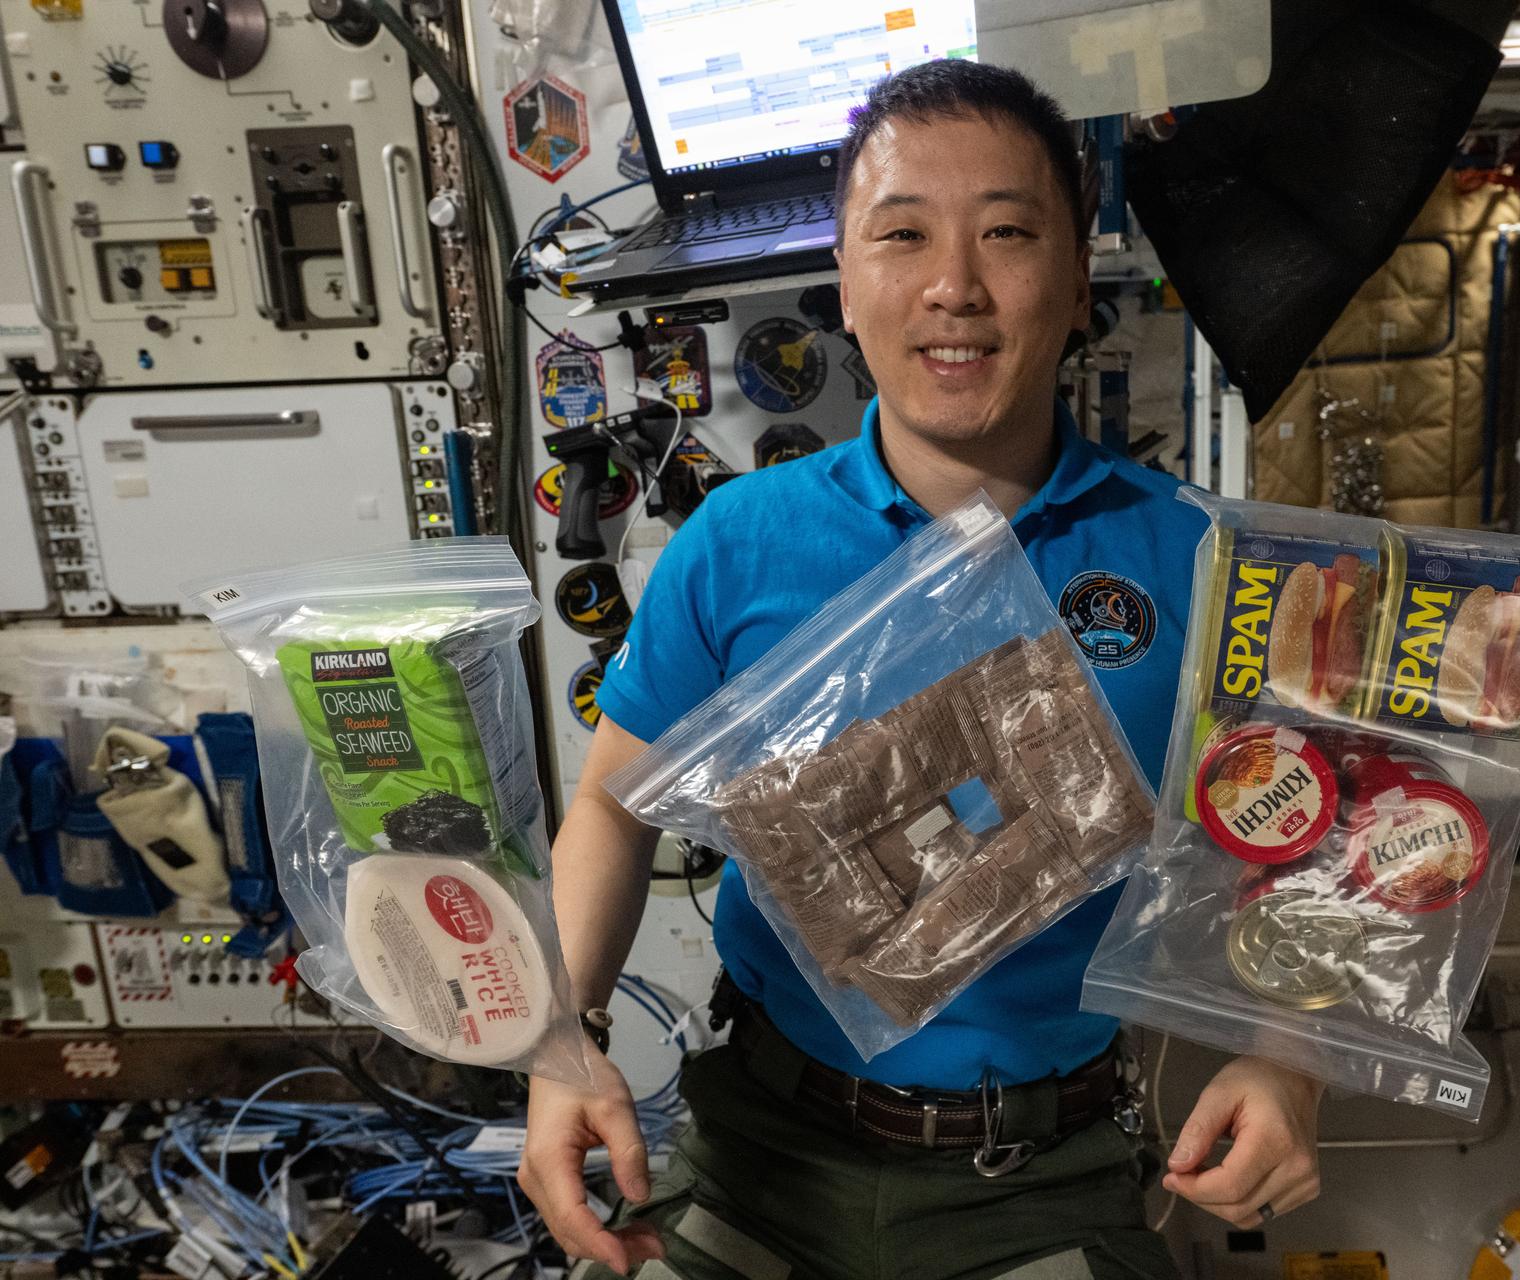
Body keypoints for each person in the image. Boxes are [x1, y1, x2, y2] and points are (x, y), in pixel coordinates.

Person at [519, 59, 1323, 1280]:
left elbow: (1287, 847)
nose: (955, 284)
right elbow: (608, 810)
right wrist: (561, 1039)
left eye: (1008, 231)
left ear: (1074, 280)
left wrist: (1287, 1057)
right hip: (762, 1142)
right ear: (845, 283)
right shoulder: (738, 545)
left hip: (1045, 1174)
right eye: (902, 234)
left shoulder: (1202, 558)